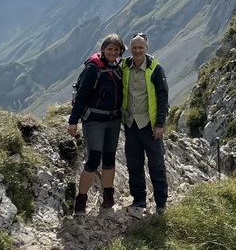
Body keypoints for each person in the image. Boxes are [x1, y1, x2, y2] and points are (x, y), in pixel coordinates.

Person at [67, 33, 125, 216]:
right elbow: (82, 95)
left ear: (121, 51)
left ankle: (108, 199)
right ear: (103, 50)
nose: (113, 52)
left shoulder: (119, 67)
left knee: (109, 159)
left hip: (113, 120)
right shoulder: (93, 68)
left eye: (116, 50)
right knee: (93, 160)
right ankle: (81, 203)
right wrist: (73, 121)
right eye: (110, 49)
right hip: (94, 121)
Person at [121, 32, 170, 215]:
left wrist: (160, 124)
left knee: (156, 164)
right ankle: (139, 200)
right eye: (134, 47)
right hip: (131, 123)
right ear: (130, 49)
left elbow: (163, 96)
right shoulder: (124, 66)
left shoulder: (155, 68)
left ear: (147, 48)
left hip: (150, 126)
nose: (137, 51)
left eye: (140, 47)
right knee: (134, 164)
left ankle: (161, 203)